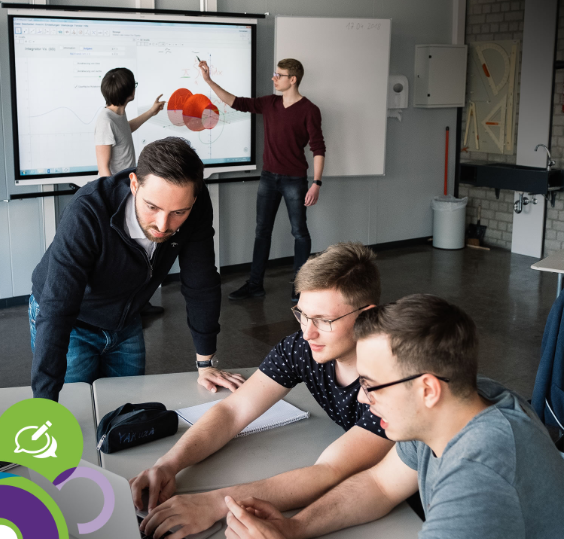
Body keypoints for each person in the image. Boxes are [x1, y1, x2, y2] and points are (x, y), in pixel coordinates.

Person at [224, 295, 564, 539]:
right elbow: (379, 485)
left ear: (428, 389)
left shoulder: (480, 474)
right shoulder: (458, 402)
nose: (361, 397)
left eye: (371, 385)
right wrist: (293, 527)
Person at [133, 243, 394, 539]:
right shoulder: (302, 347)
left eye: (324, 320)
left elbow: (330, 472)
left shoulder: (394, 377)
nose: (308, 332)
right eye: (302, 314)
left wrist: (217, 504)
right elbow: (233, 411)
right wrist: (169, 464)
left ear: (366, 316)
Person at [30, 137, 245, 401]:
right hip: (73, 320)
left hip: (125, 318)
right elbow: (58, 307)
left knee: (126, 411)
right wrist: (44, 405)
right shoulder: (87, 210)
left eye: (179, 212)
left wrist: (206, 364)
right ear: (134, 184)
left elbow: (201, 283)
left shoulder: (196, 204)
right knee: (74, 409)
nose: (163, 225)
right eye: (152, 207)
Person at [199, 58, 326, 302]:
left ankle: (300, 287)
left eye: (279, 75)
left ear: (293, 79)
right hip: (268, 178)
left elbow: (318, 148)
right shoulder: (270, 103)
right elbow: (236, 102)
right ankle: (255, 285)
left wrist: (316, 183)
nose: (273, 78)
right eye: (274, 73)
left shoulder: (310, 110)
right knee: (262, 231)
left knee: (299, 232)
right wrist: (208, 81)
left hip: (294, 180)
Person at [94, 67, 167, 317]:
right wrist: (113, 202)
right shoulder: (105, 120)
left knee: (139, 251)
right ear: (129, 93)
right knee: (127, 253)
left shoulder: (117, 115)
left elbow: (127, 129)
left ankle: (138, 302)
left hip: (130, 190)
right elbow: (103, 168)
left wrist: (151, 112)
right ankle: (128, 305)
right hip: (120, 196)